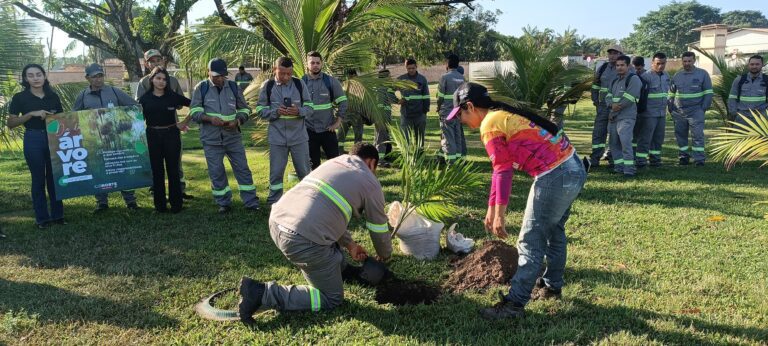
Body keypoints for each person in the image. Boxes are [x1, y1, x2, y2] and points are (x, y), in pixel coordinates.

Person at [445, 82, 586, 320]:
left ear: (470, 106)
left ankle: (514, 305)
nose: (461, 120)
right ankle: (552, 286)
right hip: (574, 167)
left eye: (461, 114)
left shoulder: (490, 124)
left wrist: (499, 213)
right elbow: (500, 168)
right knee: (554, 232)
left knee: (530, 241)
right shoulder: (501, 115)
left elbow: (502, 170)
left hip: (555, 174)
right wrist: (491, 209)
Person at [237, 143, 392, 323]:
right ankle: (263, 294)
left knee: (324, 236)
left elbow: (327, 210)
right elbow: (378, 227)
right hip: (302, 239)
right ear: (372, 163)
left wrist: (350, 245)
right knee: (331, 298)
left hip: (277, 221)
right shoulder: (369, 182)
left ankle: (340, 270)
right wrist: (385, 255)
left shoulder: (335, 163)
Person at [189, 58, 260, 213]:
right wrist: (209, 119)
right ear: (208, 73)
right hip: (211, 139)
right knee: (216, 172)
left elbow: (245, 109)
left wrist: (238, 120)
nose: (220, 79)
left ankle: (251, 202)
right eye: (216, 76)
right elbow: (194, 112)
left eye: (222, 75)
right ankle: (223, 202)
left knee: (242, 169)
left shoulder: (234, 87)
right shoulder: (201, 88)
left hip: (233, 137)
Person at [73, 63, 140, 212]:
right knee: (98, 170)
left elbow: (134, 106)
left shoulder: (114, 92)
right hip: (96, 141)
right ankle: (102, 202)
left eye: (100, 76)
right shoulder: (83, 96)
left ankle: (130, 201)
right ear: (87, 78)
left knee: (122, 168)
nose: (98, 79)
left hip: (117, 140)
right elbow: (73, 116)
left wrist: (125, 122)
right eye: (94, 77)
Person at [7, 64, 65, 229]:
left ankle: (58, 215)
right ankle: (42, 219)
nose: (35, 78)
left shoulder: (53, 96)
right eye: (31, 75)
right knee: (38, 179)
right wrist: (30, 114)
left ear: (44, 76)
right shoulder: (19, 98)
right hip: (33, 139)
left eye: (38, 74)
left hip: (53, 138)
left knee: (55, 178)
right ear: (26, 79)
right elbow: (10, 123)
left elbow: (61, 119)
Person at [135, 49, 193, 200]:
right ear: (147, 64)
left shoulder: (172, 80)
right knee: (156, 166)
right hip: (153, 130)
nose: (155, 63)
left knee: (175, 164)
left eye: (158, 60)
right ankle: (157, 193)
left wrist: (183, 122)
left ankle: (179, 191)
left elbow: (183, 103)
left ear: (163, 60)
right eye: (152, 61)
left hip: (171, 128)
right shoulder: (143, 83)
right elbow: (138, 109)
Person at [256, 57, 313, 205]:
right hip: (277, 139)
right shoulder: (267, 86)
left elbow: (310, 108)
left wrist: (298, 111)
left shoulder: (300, 84)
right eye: (282, 73)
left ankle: (309, 201)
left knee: (304, 172)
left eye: (289, 73)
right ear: (275, 70)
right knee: (276, 173)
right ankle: (274, 201)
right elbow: (260, 109)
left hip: (299, 138)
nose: (286, 77)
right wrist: (275, 112)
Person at [302, 51, 348, 169]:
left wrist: (337, 123)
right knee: (313, 166)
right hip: (308, 131)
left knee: (334, 165)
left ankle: (336, 186)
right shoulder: (301, 83)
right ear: (307, 64)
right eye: (312, 63)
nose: (315, 65)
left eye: (318, 62)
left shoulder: (331, 81)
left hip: (328, 130)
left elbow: (343, 102)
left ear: (322, 64)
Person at [669, 52, 713, 166]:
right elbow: (671, 92)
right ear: (682, 61)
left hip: (696, 111)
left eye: (689, 61)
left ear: (694, 61)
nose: (687, 63)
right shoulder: (677, 75)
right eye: (684, 61)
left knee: (697, 135)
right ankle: (683, 156)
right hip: (679, 112)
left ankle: (699, 159)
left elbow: (708, 92)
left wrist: (703, 108)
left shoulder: (703, 74)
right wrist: (671, 106)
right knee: (680, 135)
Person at [606, 55, 642, 177]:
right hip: (614, 117)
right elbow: (608, 96)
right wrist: (611, 106)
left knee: (625, 143)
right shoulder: (614, 80)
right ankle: (619, 167)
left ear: (628, 66)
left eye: (622, 65)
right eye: (617, 65)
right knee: (614, 144)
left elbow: (629, 99)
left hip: (626, 117)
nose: (619, 67)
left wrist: (614, 109)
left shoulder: (634, 79)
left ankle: (629, 170)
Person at [589, 45, 624, 167]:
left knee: (615, 134)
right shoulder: (603, 67)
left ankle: (613, 159)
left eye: (615, 53)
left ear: (621, 55)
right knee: (598, 132)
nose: (612, 56)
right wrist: (595, 100)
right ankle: (595, 158)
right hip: (603, 106)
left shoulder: (625, 68)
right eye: (610, 53)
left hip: (618, 107)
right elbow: (595, 85)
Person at [636, 52, 671, 167]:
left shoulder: (666, 76)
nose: (661, 66)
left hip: (661, 113)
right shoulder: (645, 77)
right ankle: (641, 161)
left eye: (663, 63)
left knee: (658, 138)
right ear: (652, 63)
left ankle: (655, 159)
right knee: (645, 138)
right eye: (658, 63)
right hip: (648, 113)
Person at [437, 54, 466, 163]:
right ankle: (458, 161)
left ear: (447, 64)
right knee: (457, 137)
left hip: (447, 113)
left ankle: (451, 163)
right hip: (458, 113)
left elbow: (440, 97)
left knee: (448, 139)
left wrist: (438, 108)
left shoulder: (444, 77)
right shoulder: (462, 78)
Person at [397, 58, 430, 147]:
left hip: (420, 114)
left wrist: (425, 111)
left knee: (419, 138)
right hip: (406, 114)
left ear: (416, 67)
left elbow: (426, 96)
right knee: (405, 138)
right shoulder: (401, 79)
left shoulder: (422, 79)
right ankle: (406, 155)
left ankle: (419, 155)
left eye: (413, 68)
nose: (411, 70)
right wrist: (397, 100)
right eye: (409, 68)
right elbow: (389, 89)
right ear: (406, 68)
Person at [728, 55, 768, 125]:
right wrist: (734, 112)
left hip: (762, 118)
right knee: (740, 136)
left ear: (762, 65)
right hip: (742, 117)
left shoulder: (766, 80)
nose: (754, 66)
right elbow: (732, 97)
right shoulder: (740, 80)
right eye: (752, 64)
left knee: (760, 136)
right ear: (748, 65)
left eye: (757, 64)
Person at [374, 69, 397, 167]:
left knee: (379, 136)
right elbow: (394, 100)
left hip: (376, 115)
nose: (391, 77)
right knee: (382, 137)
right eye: (389, 76)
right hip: (384, 116)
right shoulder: (387, 87)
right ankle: (380, 160)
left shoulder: (376, 87)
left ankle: (380, 156)